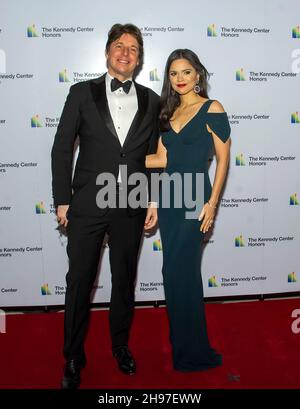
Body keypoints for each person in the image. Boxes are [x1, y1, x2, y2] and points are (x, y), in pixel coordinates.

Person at [51, 23, 160, 389]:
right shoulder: (81, 93)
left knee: (124, 281)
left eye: (133, 48)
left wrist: (153, 198)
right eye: (119, 45)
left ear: (139, 58)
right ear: (107, 52)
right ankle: (72, 355)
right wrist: (62, 199)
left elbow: (153, 156)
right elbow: (62, 148)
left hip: (130, 203)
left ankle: (120, 345)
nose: (125, 52)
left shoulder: (151, 100)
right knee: (79, 281)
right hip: (87, 203)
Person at [146, 49, 231, 371]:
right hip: (169, 199)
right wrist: (118, 158)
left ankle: (194, 352)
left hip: (197, 198)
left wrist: (212, 204)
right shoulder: (167, 115)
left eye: (186, 72)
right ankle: (185, 347)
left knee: (182, 273)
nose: (180, 79)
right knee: (174, 273)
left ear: (198, 75)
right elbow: (161, 161)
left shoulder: (213, 108)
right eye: (173, 73)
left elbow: (223, 160)